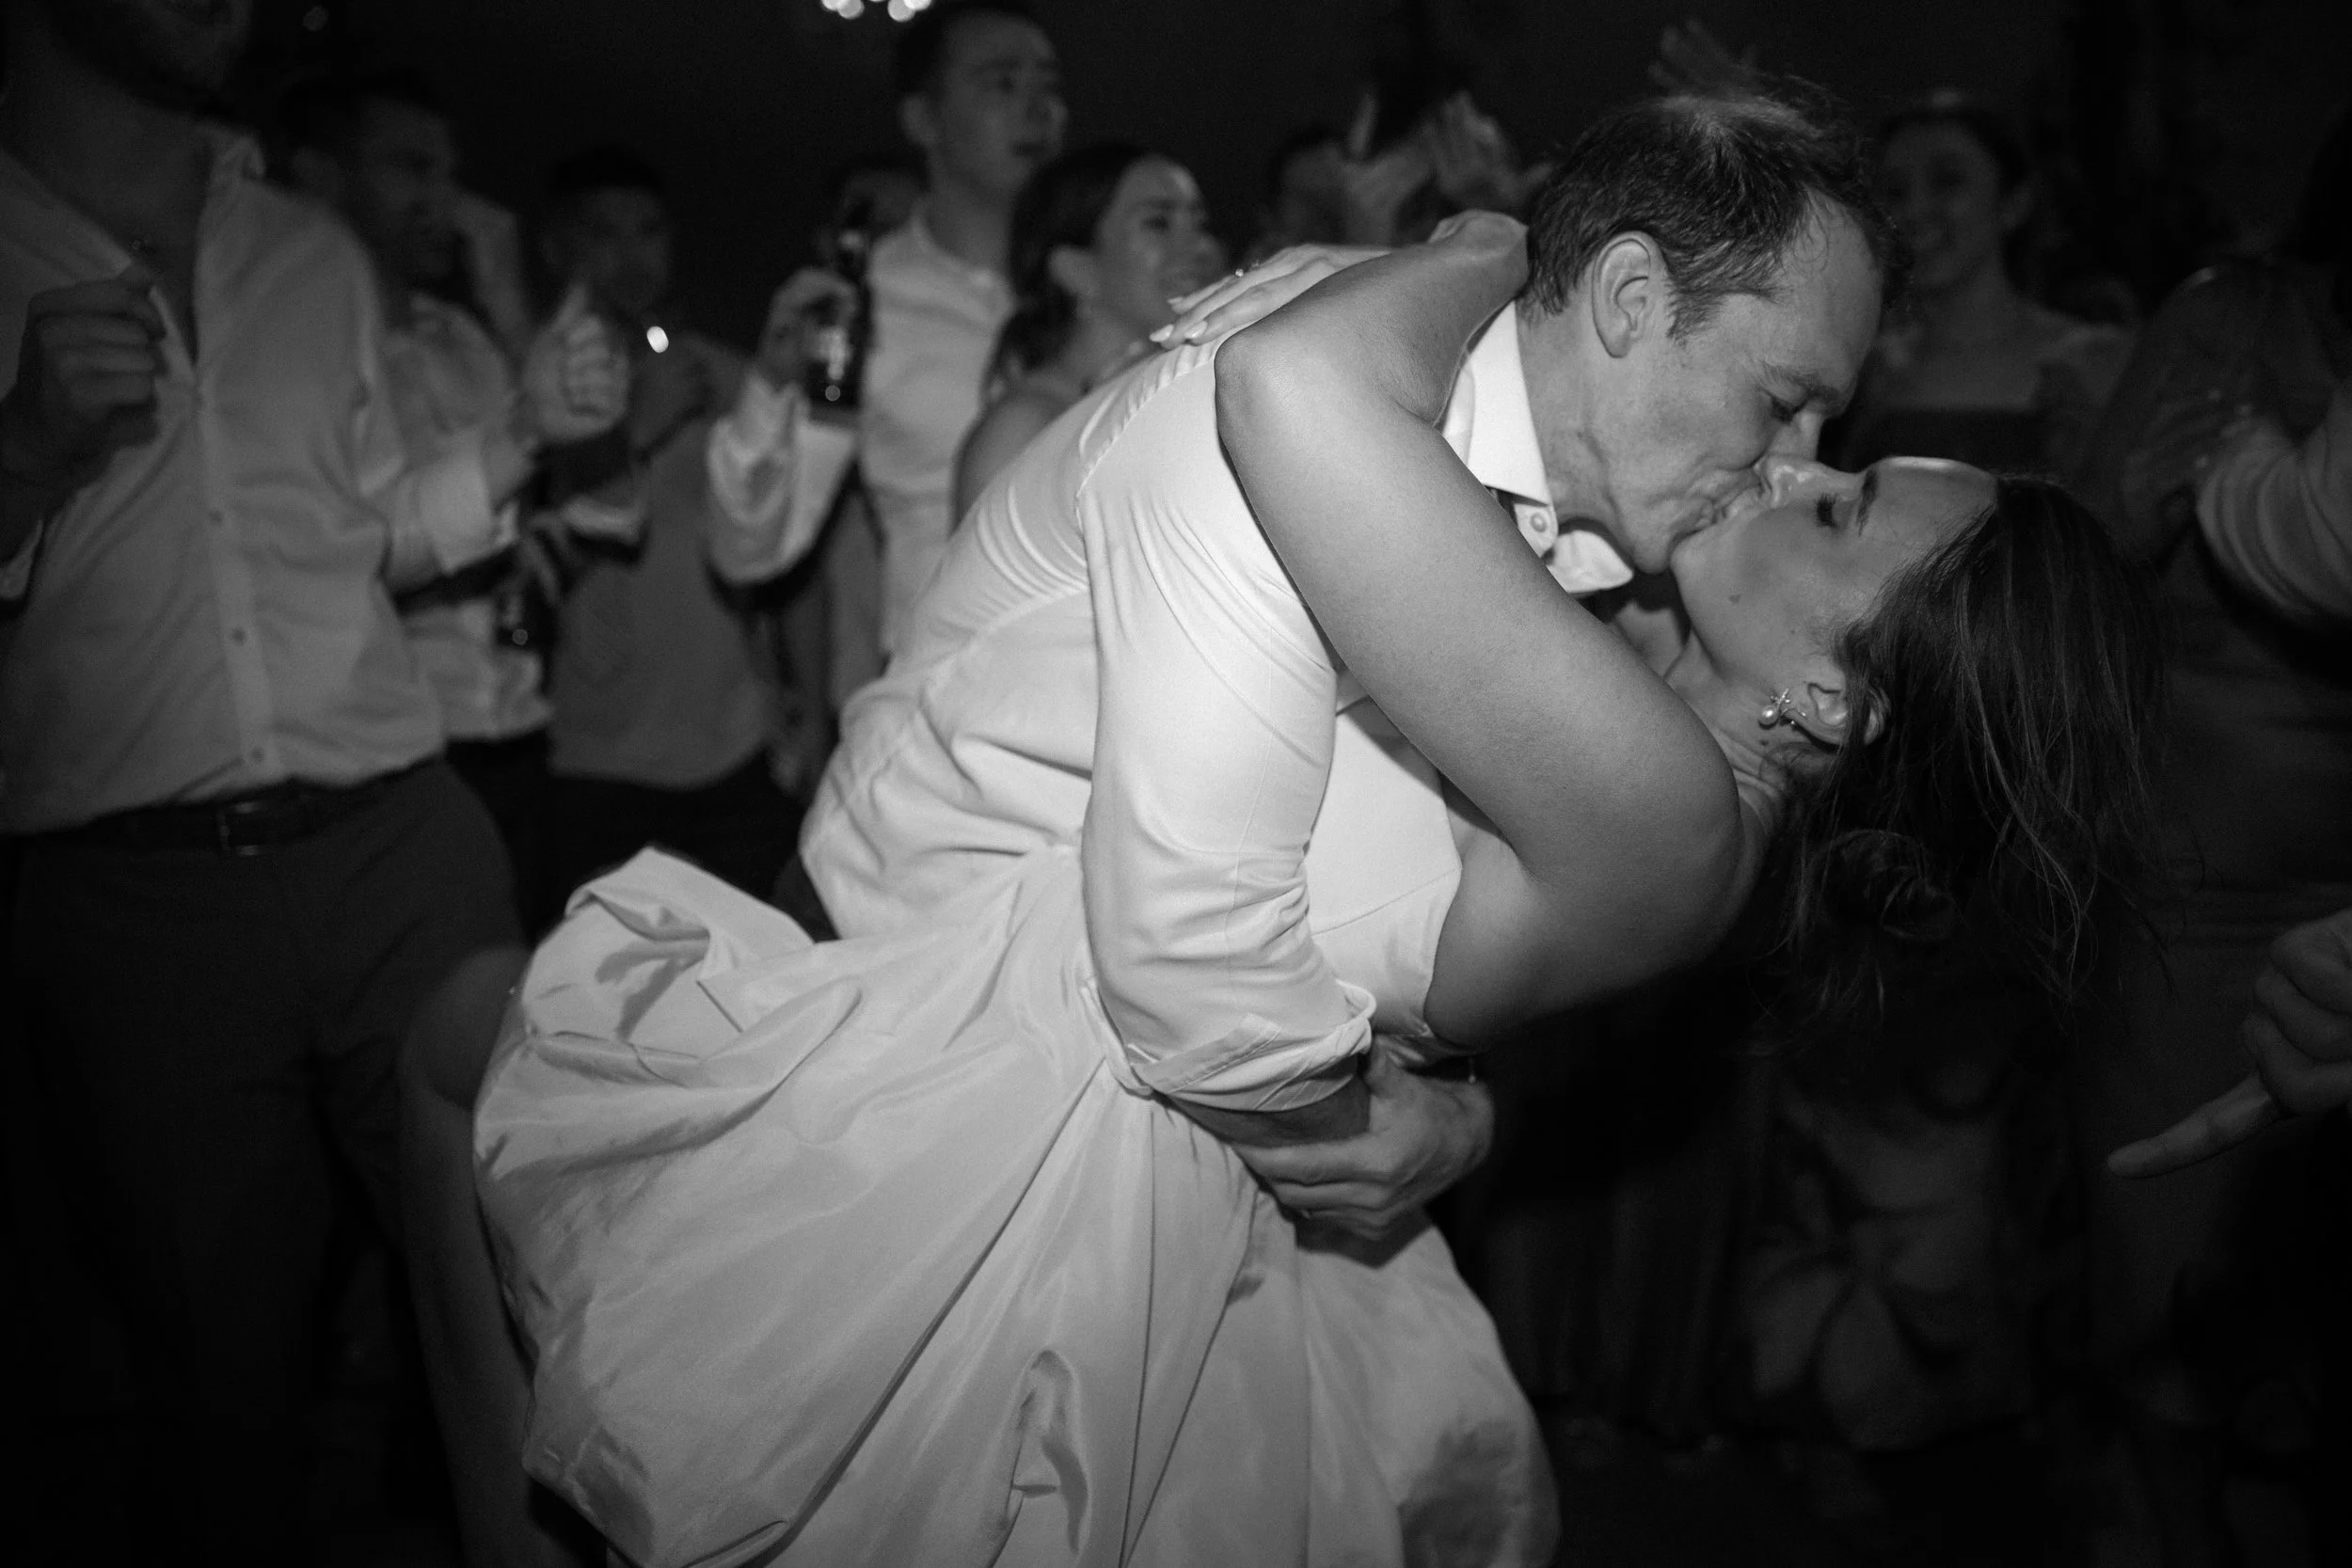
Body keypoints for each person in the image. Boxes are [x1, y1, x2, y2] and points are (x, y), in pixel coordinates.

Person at [477, 83, 2159, 1568]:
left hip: (1108, 1146)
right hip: (980, 1068)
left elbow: (1297, 398)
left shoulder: (1660, 782)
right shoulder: (1610, 618)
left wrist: (1491, 239)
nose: (1793, 466)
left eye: (1838, 480)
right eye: (1796, 411)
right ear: (1639, 293)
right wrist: (1444, 1112)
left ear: (1845, 708)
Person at [0, 0, 627, 1560]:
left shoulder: (302, 246)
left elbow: (352, 533)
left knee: (539, 1293)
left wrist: (517, 439)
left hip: (400, 839)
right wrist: (22, 448)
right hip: (136, 899)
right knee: (219, 1377)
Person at [2070, 106, 2352, 1567]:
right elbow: (2100, 538)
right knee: (2173, 1232)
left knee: (2309, 1274)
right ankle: (2170, 1515)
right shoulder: (2228, 315)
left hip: (2344, 900)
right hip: (2200, 875)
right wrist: (2129, 506)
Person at [283, 68, 644, 932]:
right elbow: (336, 556)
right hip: (385, 754)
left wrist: (510, 300)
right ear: (318, 176)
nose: (446, 200)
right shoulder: (286, 354)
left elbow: (614, 508)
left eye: (450, 173)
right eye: (414, 169)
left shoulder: (467, 339)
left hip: (517, 741)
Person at [707, 0, 1065, 679]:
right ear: (923, 120)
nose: (1038, 108)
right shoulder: (867, 304)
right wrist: (770, 390)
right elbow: (749, 551)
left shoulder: (1094, 283)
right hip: (951, 692)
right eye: (1002, 83)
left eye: (1050, 85)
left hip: (1108, 672)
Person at [536, 146, 803, 909]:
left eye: (649, 231)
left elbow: (789, 559)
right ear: (557, 248)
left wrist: (804, 711)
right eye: (603, 234)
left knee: (754, 996)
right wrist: (637, 431)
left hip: (737, 750)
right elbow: (515, 574)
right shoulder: (531, 390)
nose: (631, 257)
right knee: (600, 1010)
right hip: (601, 758)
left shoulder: (729, 376)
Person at [1833, 93, 2132, 477]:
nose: (1914, 211)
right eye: (1895, 191)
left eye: (1947, 182)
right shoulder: (1866, 368)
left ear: (2014, 203)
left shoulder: (2095, 361)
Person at [951, 141, 1222, 516]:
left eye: (1201, 224)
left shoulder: (1194, 397)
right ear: (1077, 269)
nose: (1202, 247)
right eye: (1158, 223)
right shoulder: (1026, 429)